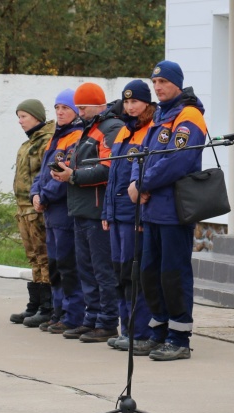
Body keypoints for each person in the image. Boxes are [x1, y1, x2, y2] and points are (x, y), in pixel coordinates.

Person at [126, 60, 207, 361]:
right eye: (154, 83)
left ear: (177, 83)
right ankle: (158, 331)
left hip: (173, 209)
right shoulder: (161, 114)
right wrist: (136, 180)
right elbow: (142, 153)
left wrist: (143, 183)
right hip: (152, 209)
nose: (157, 88)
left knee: (174, 274)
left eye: (163, 83)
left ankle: (179, 337)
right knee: (150, 273)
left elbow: (178, 160)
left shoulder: (189, 115)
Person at [51, 82, 124, 343]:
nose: (79, 111)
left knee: (101, 270)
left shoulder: (110, 128)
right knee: (86, 269)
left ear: (98, 105)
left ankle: (106, 322)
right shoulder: (89, 129)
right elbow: (84, 165)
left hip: (96, 209)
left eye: (83, 107)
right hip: (82, 208)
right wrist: (64, 170)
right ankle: (91, 319)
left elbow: (108, 168)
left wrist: (74, 176)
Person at [101, 80, 155, 354]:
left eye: (136, 101)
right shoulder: (123, 131)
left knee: (135, 275)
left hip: (135, 215)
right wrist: (106, 212)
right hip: (117, 216)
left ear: (147, 103)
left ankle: (140, 332)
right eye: (127, 101)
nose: (131, 106)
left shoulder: (151, 131)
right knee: (121, 274)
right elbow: (113, 177)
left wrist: (141, 216)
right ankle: (126, 329)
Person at [30, 90, 84, 335]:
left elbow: (64, 175)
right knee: (55, 264)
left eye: (65, 108)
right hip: (50, 211)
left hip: (63, 210)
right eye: (57, 108)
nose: (60, 112)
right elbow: (43, 173)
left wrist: (46, 196)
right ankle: (59, 311)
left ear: (75, 111)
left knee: (66, 264)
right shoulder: (56, 137)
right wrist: (35, 194)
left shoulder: (75, 137)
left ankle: (72, 314)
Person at [9, 99, 55, 327]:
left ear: (36, 116)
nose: (20, 121)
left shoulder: (46, 141)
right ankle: (35, 304)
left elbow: (45, 174)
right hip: (24, 209)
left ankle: (48, 307)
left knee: (44, 256)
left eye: (24, 116)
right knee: (33, 257)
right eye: (19, 116)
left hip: (37, 208)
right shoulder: (28, 143)